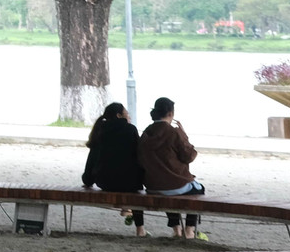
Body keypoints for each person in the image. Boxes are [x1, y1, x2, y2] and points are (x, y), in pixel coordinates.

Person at [138, 96, 206, 239]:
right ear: (171, 114)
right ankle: (189, 230)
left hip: (152, 186)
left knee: (167, 186)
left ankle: (176, 229)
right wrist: (184, 135)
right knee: (198, 189)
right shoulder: (173, 132)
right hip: (175, 185)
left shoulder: (146, 133)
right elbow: (189, 156)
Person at [81, 102, 147, 237]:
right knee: (133, 187)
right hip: (130, 183)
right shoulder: (130, 130)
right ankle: (140, 229)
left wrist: (87, 180)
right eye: (127, 114)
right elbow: (140, 155)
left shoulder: (100, 130)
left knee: (126, 182)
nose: (129, 117)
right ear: (119, 115)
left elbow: (92, 159)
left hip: (105, 182)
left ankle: (126, 209)